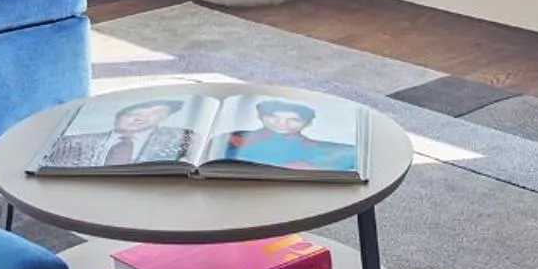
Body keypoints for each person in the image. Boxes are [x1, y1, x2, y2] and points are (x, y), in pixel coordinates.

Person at [39, 99, 191, 168]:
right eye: (133, 113)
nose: (141, 118)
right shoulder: (73, 142)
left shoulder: (180, 138)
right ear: (117, 118)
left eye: (155, 113)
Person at [221, 99, 358, 172]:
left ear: (307, 123)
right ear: (260, 116)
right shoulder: (236, 137)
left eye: (293, 120)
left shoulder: (316, 148)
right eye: (272, 117)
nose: (281, 123)